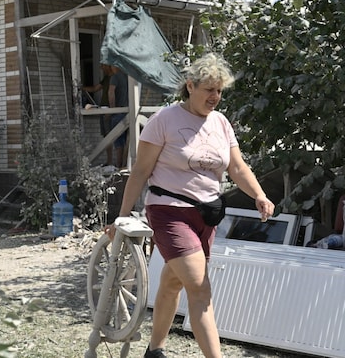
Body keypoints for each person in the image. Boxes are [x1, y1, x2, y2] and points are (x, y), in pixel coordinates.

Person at [106, 53, 275, 358]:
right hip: (169, 211)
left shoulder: (221, 123)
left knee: (173, 282)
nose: (216, 97)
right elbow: (141, 171)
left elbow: (237, 168)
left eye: (220, 90)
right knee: (199, 288)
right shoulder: (164, 120)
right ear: (190, 85)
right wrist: (121, 217)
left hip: (206, 216)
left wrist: (259, 195)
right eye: (209, 89)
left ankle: (154, 350)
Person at [83, 64, 113, 165]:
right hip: (103, 109)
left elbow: (112, 94)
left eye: (103, 66)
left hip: (109, 110)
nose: (101, 68)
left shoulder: (113, 78)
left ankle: (113, 161)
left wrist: (111, 110)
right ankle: (109, 161)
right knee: (106, 136)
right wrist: (82, 88)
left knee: (110, 136)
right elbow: (96, 88)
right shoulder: (106, 79)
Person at [107, 65, 129, 168]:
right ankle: (125, 165)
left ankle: (119, 165)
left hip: (118, 112)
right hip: (128, 112)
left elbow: (111, 92)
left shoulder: (115, 77)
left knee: (118, 141)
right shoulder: (128, 77)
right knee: (126, 140)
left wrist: (112, 109)